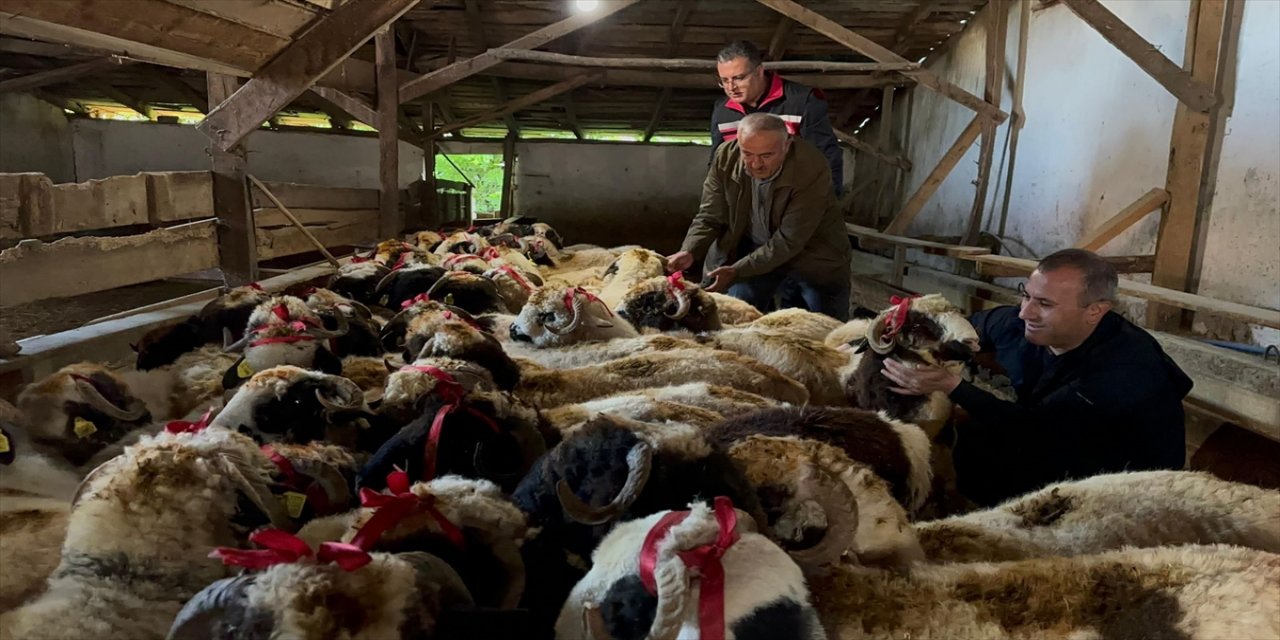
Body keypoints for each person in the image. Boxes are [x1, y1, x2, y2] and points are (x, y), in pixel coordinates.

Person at [880, 249, 1193, 506]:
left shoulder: (1126, 370)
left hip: (1121, 482)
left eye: (1044, 304)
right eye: (1026, 295)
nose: (1025, 313)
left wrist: (952, 386)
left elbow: (1036, 430)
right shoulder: (1022, 325)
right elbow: (967, 329)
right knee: (970, 441)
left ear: (1095, 311)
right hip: (1053, 436)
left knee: (984, 449)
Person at [667, 113, 852, 320]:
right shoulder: (726, 157)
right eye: (748, 154)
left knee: (826, 326)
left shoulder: (810, 167)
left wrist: (737, 270)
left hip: (813, 257)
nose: (756, 164)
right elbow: (710, 214)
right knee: (735, 315)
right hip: (754, 253)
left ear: (787, 145)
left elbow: (789, 240)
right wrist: (690, 250)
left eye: (766, 156)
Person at [711, 40, 843, 195]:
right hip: (743, 202)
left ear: (759, 71)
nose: (731, 88)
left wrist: (827, 203)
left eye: (739, 78)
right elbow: (717, 164)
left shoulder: (803, 102)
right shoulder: (722, 111)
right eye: (724, 81)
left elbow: (826, 156)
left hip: (795, 198)